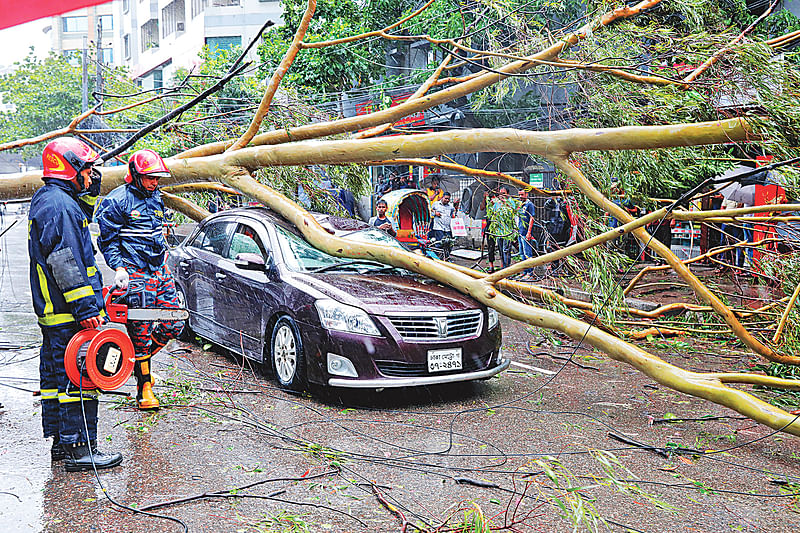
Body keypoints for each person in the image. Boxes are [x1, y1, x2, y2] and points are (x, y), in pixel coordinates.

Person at [28, 137, 123, 471]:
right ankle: (81, 448)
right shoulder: (58, 206)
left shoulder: (54, 200)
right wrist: (86, 310)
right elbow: (65, 261)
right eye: (86, 168)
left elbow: (78, 218)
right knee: (79, 379)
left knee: (58, 378)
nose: (91, 173)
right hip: (68, 312)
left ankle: (62, 444)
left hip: (55, 312)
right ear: (68, 167)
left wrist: (91, 191)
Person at [95, 149, 184, 410]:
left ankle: (134, 362)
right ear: (134, 175)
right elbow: (107, 241)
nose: (154, 182)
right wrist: (119, 268)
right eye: (149, 178)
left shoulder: (156, 197)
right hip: (135, 273)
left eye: (157, 178)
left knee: (174, 323)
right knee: (141, 331)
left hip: (159, 269)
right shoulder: (117, 201)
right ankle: (144, 385)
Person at [487, 187, 518, 269]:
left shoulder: (511, 201)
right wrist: (491, 204)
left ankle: (507, 269)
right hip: (499, 231)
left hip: (507, 232)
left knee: (506, 251)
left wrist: (505, 203)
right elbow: (493, 214)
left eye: (503, 193)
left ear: (507, 194)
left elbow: (513, 213)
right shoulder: (497, 203)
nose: (501, 195)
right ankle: (503, 268)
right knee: (501, 251)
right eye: (500, 193)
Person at [517, 189, 536, 277]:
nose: (520, 196)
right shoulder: (521, 204)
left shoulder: (529, 204)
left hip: (525, 232)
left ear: (526, 194)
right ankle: (524, 271)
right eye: (519, 195)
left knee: (527, 253)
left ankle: (530, 273)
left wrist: (529, 232)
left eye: (522, 195)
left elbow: (532, 218)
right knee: (521, 253)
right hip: (520, 231)